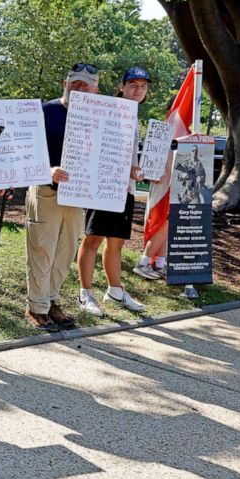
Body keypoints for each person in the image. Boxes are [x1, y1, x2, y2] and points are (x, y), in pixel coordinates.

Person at [24, 63, 98, 332]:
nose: (80, 88)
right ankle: (37, 307)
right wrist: (48, 169)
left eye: (86, 84)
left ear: (95, 89)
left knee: (65, 253)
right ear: (65, 83)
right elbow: (24, 149)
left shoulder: (98, 117)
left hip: (78, 196)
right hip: (46, 190)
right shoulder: (44, 111)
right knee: (42, 250)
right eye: (75, 82)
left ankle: (52, 301)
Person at [76, 67, 149, 316]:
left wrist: (136, 170)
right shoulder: (108, 110)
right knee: (93, 238)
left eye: (143, 86)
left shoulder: (135, 114)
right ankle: (85, 292)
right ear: (121, 87)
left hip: (125, 189)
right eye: (133, 85)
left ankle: (115, 290)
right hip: (103, 186)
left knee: (116, 241)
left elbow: (128, 155)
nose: (138, 90)